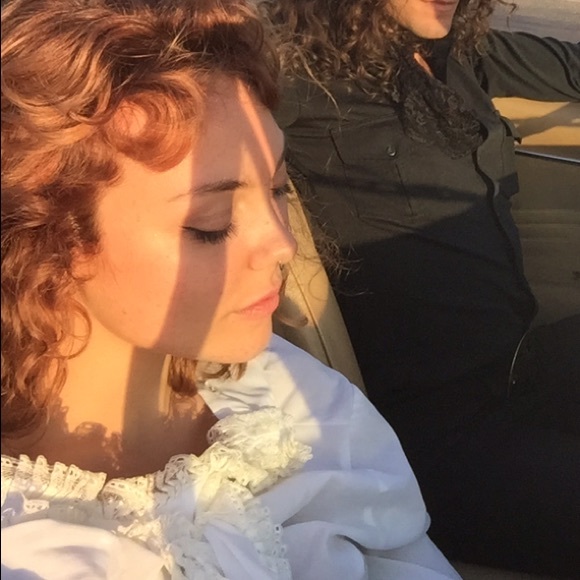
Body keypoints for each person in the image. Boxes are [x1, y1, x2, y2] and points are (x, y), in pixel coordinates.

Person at [0, 0, 462, 578]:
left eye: (279, 189)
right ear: (44, 235)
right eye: (211, 224)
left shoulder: (304, 405)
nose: (283, 245)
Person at [261, 0, 580, 576]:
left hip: (519, 364)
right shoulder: (296, 79)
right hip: (442, 435)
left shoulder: (453, 50)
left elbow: (569, 65)